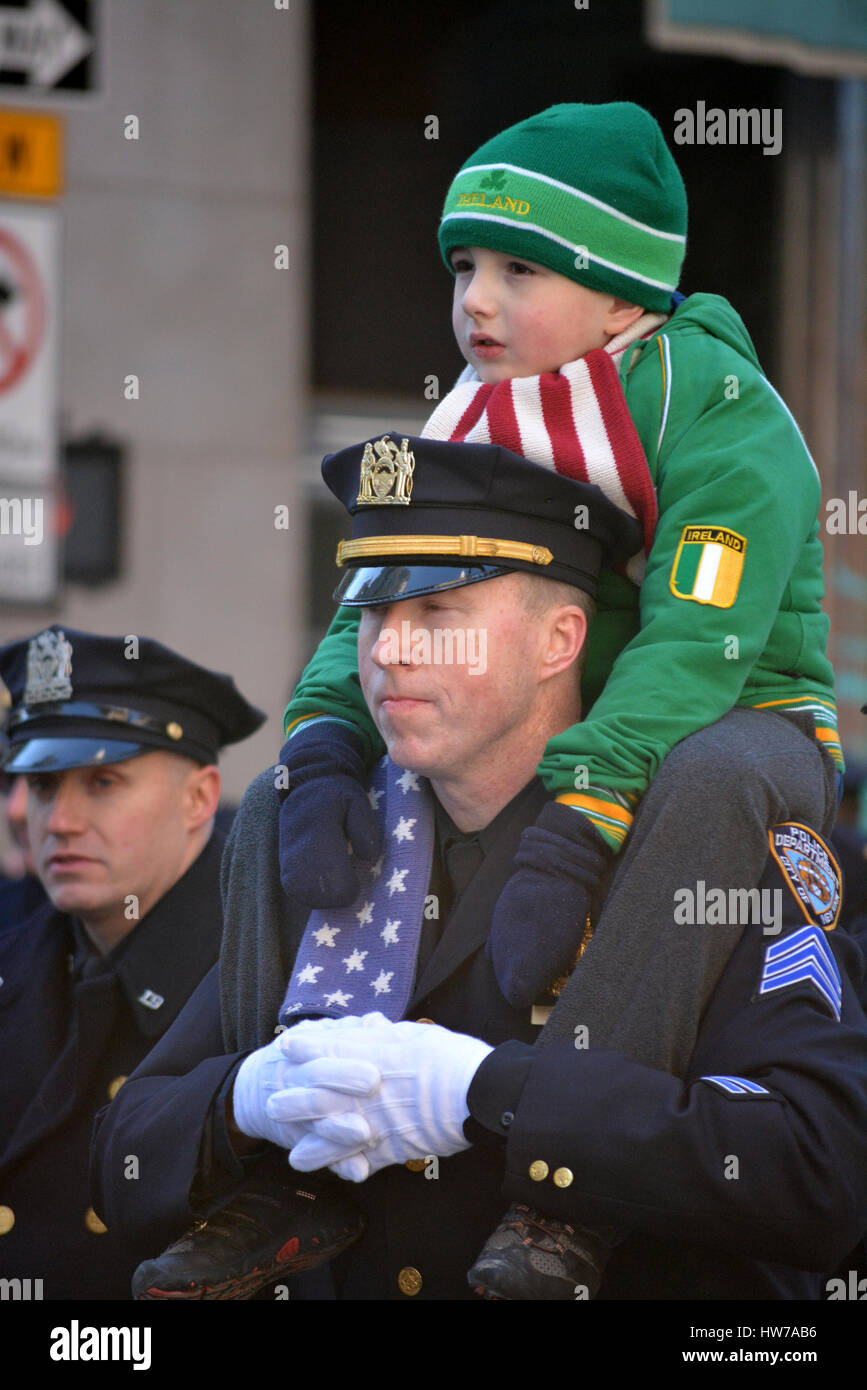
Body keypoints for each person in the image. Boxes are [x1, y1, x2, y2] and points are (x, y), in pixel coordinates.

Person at [276, 102, 841, 1294]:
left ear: (625, 292)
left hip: (745, 723)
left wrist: (577, 823)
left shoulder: (730, 417)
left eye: (518, 269)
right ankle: (282, 1155)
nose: (473, 301)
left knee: (717, 770)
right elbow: (370, 601)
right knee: (308, 790)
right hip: (592, 727)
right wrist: (323, 743)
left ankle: (556, 1204)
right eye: (463, 266)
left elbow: (697, 646)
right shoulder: (482, 404)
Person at [90, 438, 865, 1301]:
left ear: (558, 640)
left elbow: (816, 1170)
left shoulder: (693, 838)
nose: (388, 651)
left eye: (437, 613)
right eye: (374, 615)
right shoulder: (329, 840)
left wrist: (487, 1091)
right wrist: (242, 1100)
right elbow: (123, 1155)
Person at [0, 626, 264, 1299]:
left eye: (103, 782)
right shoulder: (20, 961)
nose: (58, 820)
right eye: (44, 784)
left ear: (199, 798)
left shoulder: (261, 985)